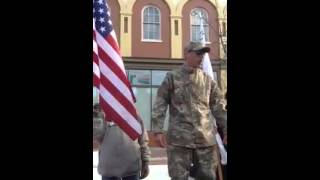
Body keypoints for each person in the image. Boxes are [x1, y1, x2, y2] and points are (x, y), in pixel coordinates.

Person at [152, 42, 227, 180]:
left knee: (208, 177)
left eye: (203, 54)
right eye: (198, 53)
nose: (201, 57)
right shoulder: (172, 77)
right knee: (178, 177)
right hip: (179, 141)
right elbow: (160, 103)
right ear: (186, 54)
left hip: (205, 141)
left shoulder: (208, 80)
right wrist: (157, 130)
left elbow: (219, 106)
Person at [93, 103, 151, 180]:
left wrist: (145, 161)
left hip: (131, 168)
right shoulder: (103, 113)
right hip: (109, 167)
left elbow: (143, 139)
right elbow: (97, 136)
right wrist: (96, 118)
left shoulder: (133, 114)